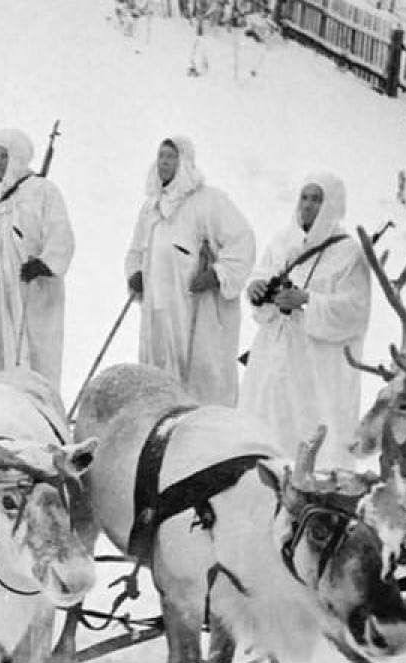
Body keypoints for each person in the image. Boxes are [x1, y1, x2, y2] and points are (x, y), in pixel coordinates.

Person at [240, 173, 370, 466]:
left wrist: (307, 300)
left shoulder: (349, 253)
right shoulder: (282, 240)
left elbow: (356, 310)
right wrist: (256, 289)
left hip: (314, 365)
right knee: (265, 420)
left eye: (317, 199)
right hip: (272, 351)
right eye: (304, 197)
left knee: (307, 431)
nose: (308, 205)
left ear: (332, 204)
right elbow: (261, 274)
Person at [125, 136, 255, 406]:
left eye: (170, 157)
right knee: (158, 374)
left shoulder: (209, 201)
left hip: (196, 309)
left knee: (200, 381)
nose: (163, 162)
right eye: (160, 156)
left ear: (183, 162)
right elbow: (136, 249)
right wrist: (136, 273)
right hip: (159, 312)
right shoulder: (151, 207)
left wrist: (217, 275)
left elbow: (242, 242)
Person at [0, 129, 74, 392]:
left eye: (5, 156)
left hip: (32, 288)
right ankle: (2, 399)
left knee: (35, 349)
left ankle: (39, 401)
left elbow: (60, 234)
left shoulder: (43, 191)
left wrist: (44, 263)